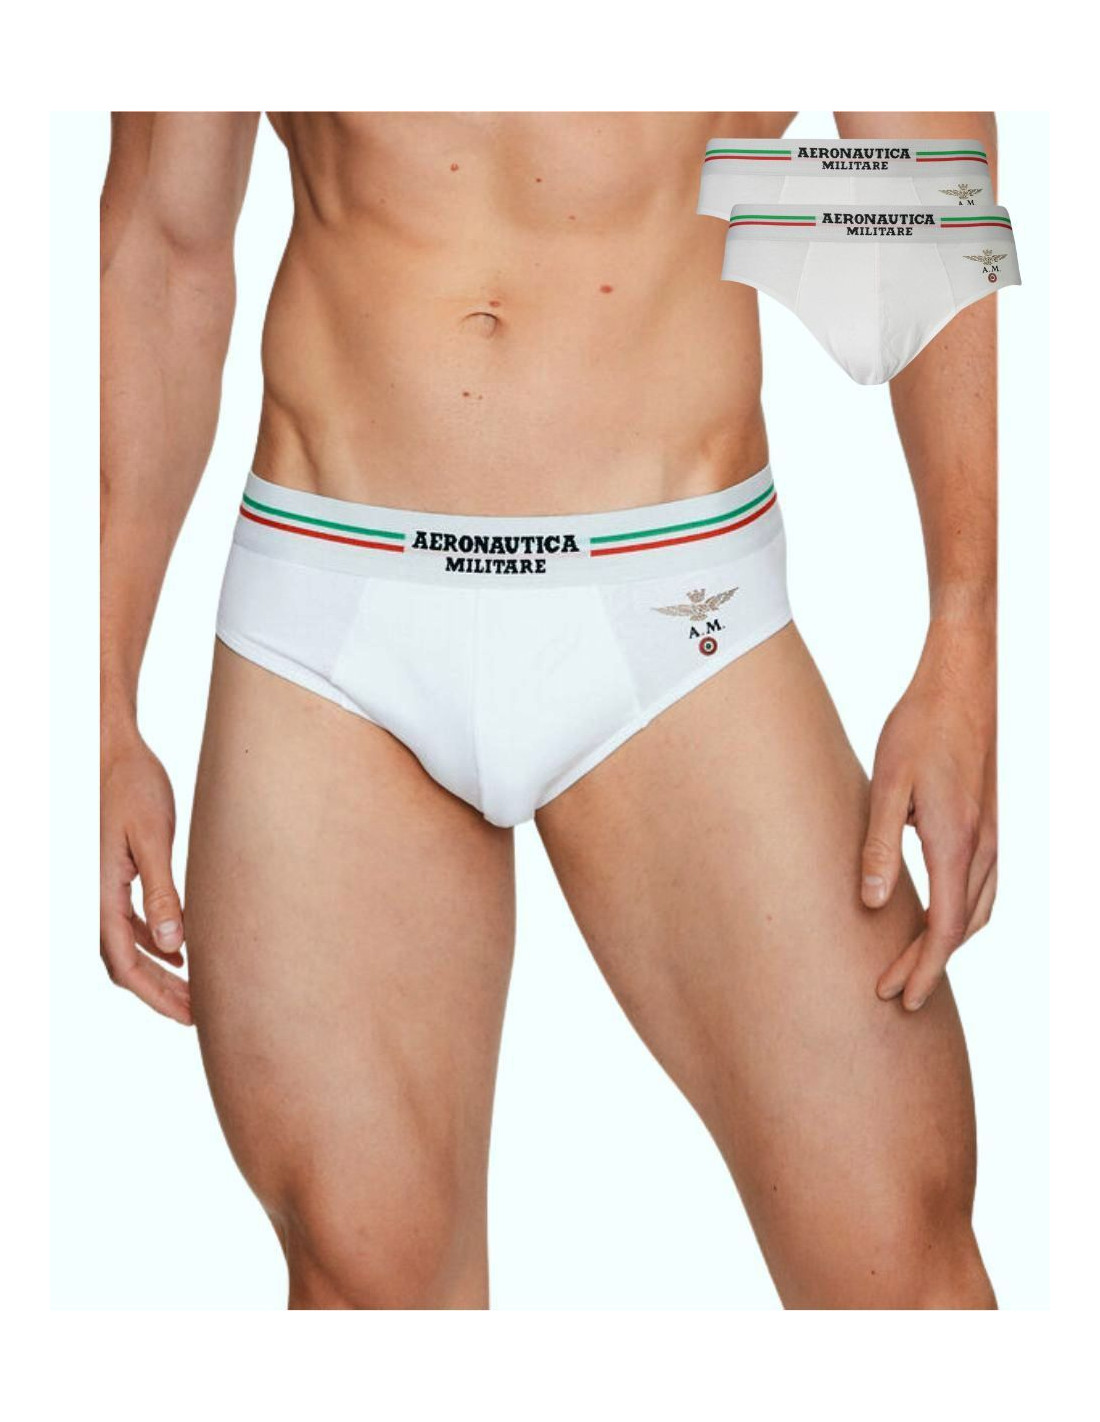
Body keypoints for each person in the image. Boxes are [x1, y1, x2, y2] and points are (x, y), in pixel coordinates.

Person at [100, 111, 999, 1309]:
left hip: (676, 597)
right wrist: (99, 700)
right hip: (331, 605)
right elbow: (164, 240)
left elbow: (922, 195)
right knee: (367, 1286)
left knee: (895, 1266)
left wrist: (962, 643)